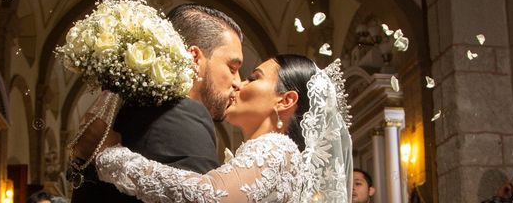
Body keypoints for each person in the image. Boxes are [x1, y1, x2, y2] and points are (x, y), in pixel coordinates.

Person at [80, 54, 352, 203]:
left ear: (286, 100)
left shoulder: (277, 148)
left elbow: (208, 195)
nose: (238, 84)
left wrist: (111, 155)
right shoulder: (277, 154)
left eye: (252, 78)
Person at [70, 3, 244, 203]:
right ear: (194, 58)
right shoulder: (183, 114)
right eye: (232, 67)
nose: (238, 82)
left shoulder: (130, 110)